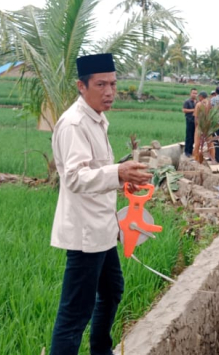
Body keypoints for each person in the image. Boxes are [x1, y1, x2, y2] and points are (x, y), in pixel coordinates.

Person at [49, 53, 152, 355]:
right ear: (81, 86)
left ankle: (100, 349)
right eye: (101, 85)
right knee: (74, 314)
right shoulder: (75, 124)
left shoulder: (96, 118)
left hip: (102, 228)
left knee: (111, 289)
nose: (109, 91)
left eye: (113, 84)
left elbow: (96, 172)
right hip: (85, 234)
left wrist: (122, 180)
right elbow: (75, 178)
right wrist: (118, 173)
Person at [192, 91, 211, 162]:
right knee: (210, 142)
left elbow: (196, 117)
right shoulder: (210, 104)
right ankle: (212, 158)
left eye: (199, 96)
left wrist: (196, 126)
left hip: (200, 126)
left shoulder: (199, 104)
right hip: (208, 126)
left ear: (201, 96)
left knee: (197, 142)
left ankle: (196, 158)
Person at [182, 88, 197, 157]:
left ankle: (191, 151)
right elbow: (184, 110)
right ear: (190, 93)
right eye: (193, 93)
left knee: (194, 137)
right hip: (189, 120)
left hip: (196, 122)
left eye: (196, 93)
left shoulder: (197, 102)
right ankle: (187, 151)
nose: (194, 94)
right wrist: (193, 110)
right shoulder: (187, 102)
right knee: (189, 136)